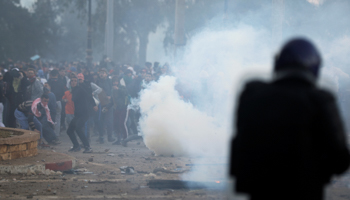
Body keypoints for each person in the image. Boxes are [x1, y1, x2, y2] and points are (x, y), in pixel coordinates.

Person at [230, 38, 350, 200]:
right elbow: (340, 161)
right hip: (304, 192)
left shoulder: (252, 94)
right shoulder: (320, 100)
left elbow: (241, 145)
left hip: (261, 193)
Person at [67, 76, 96, 153]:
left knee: (78, 128)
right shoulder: (73, 90)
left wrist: (94, 105)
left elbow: (89, 96)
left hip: (84, 113)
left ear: (77, 82)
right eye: (72, 81)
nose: (73, 82)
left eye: (75, 81)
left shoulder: (80, 89)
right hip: (78, 114)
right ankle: (76, 146)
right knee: (69, 130)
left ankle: (88, 147)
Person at [111, 76, 129, 145]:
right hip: (117, 108)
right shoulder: (112, 90)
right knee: (116, 124)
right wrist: (107, 107)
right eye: (114, 81)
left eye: (116, 81)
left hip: (124, 107)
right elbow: (112, 100)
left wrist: (118, 89)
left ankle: (125, 140)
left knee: (122, 123)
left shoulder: (122, 87)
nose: (115, 83)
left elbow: (125, 92)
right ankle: (118, 139)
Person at [47, 69, 66, 136]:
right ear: (57, 75)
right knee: (58, 119)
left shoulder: (49, 82)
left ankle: (51, 134)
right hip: (59, 101)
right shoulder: (61, 82)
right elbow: (63, 92)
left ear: (51, 75)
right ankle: (56, 134)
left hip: (50, 102)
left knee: (50, 118)